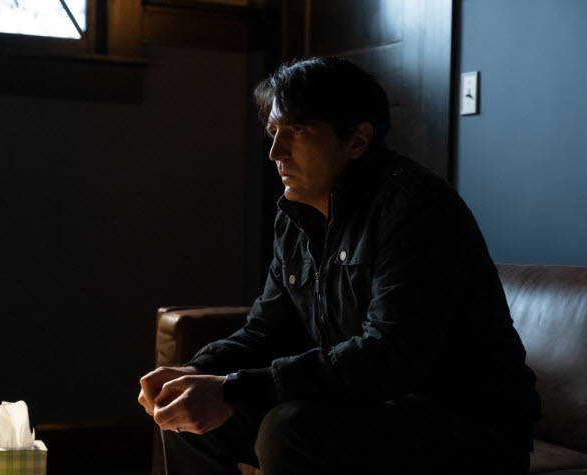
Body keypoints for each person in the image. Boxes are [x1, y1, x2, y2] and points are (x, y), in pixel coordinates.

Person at [138, 57, 540, 475]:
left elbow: (390, 354)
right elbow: (267, 330)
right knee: (184, 411)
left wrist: (234, 388)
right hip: (372, 403)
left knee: (289, 429)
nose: (276, 152)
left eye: (297, 131)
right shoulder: (295, 216)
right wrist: (198, 372)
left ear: (357, 140)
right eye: (274, 132)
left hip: (469, 423)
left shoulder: (417, 208)